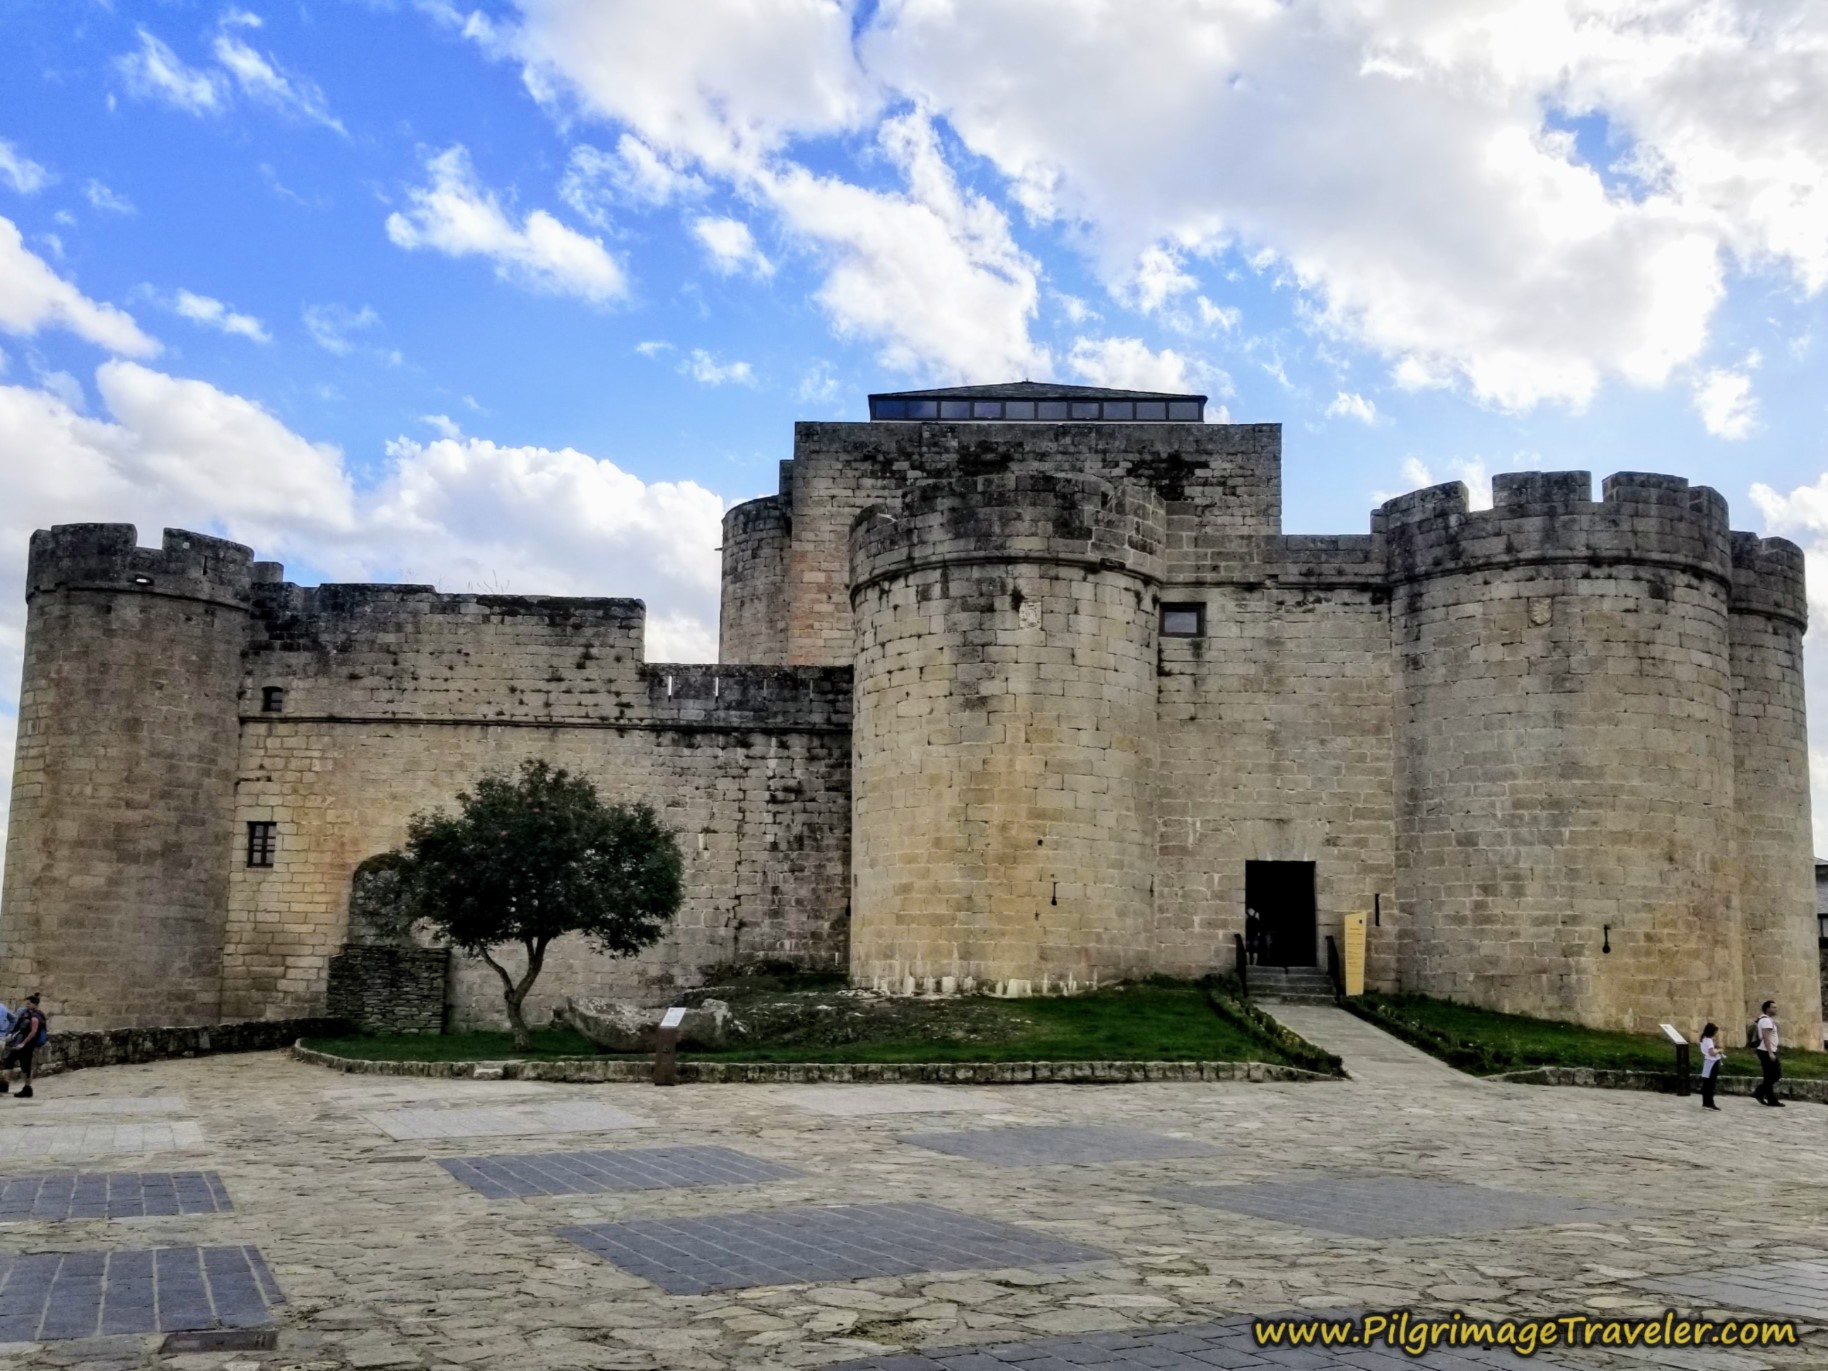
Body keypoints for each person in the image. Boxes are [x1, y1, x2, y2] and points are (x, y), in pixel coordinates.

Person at [0, 994, 47, 1100]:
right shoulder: (36, 1014)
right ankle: (12, 1084)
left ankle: (22, 1087)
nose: (27, 1006)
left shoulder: (35, 1016)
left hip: (27, 1045)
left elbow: (33, 1032)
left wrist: (23, 1043)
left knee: (21, 1064)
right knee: (16, 1062)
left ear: (35, 1004)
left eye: (29, 1004)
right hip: (25, 1045)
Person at [1753, 1000, 1782, 1107]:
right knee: (1775, 1074)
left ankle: (1771, 1099)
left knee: (1769, 1076)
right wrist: (1770, 1052)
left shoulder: (1766, 1020)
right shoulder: (1766, 1021)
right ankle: (1760, 1092)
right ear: (1767, 1009)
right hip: (1766, 1051)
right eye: (1773, 1007)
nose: (1776, 1009)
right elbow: (1766, 1037)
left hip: (1767, 1050)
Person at [1698, 1022, 1723, 1111]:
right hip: (1712, 1062)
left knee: (1706, 1083)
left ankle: (1705, 1102)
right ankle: (1710, 1103)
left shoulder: (1703, 1039)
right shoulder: (1709, 1040)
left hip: (1707, 1062)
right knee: (1711, 1084)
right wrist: (1719, 1050)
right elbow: (1711, 1053)